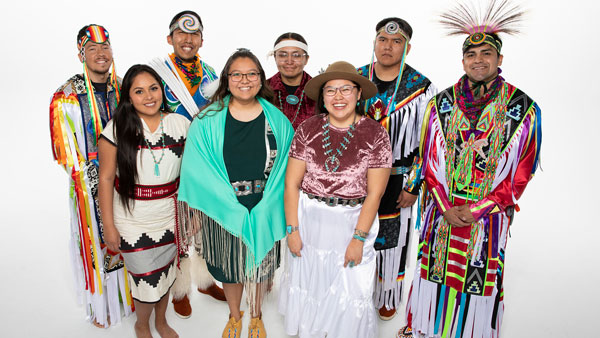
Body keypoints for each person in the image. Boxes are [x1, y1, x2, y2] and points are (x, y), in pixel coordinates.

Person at [398, 1, 542, 337]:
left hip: (488, 216)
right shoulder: (441, 105)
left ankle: (471, 332)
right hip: (442, 211)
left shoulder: (523, 109)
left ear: (499, 59)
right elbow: (429, 161)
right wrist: (446, 208)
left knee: (478, 276)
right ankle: (423, 327)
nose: (479, 60)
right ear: (463, 60)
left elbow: (522, 173)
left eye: (486, 53)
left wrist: (478, 209)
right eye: (472, 54)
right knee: (434, 270)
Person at [177, 48, 294, 338]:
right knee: (230, 269)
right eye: (237, 74)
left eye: (251, 73)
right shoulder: (206, 121)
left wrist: (269, 203)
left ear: (261, 79)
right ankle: (235, 315)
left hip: (265, 207)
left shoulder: (277, 120)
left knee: (260, 269)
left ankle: (256, 316)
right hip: (223, 208)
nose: (245, 79)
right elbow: (196, 168)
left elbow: (289, 168)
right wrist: (215, 206)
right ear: (226, 79)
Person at [279, 61, 392, 338]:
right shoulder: (308, 128)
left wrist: (358, 238)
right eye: (330, 90)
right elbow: (292, 183)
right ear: (322, 96)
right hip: (310, 219)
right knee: (311, 283)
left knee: (351, 289)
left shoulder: (375, 134)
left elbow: (375, 194)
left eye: (345, 89)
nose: (338, 97)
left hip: (352, 221)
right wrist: (292, 230)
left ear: (358, 93)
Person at [49, 24, 133, 328]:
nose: (101, 53)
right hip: (90, 183)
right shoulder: (67, 95)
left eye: (106, 47)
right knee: (97, 239)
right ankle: (104, 304)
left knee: (129, 234)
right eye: (92, 48)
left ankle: (130, 294)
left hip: (128, 177)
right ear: (80, 53)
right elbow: (63, 151)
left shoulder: (124, 87)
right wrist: (93, 178)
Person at [98, 64, 188, 338]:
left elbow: (194, 175)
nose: (149, 96)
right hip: (132, 218)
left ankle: (161, 322)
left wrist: (191, 217)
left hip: (169, 215)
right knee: (144, 279)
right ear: (128, 97)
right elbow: (105, 180)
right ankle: (141, 324)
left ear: (162, 90)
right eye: (139, 91)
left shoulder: (180, 124)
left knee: (166, 273)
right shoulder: (116, 129)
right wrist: (109, 227)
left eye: (153, 88)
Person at [357, 17, 437, 320]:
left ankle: (387, 291)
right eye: (382, 39)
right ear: (374, 42)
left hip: (397, 177)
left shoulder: (422, 88)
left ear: (407, 47)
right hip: (356, 179)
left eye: (396, 41)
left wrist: (414, 185)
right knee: (354, 232)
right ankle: (354, 289)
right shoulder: (355, 79)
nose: (388, 46)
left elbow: (429, 143)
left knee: (392, 237)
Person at [149, 10, 224, 319]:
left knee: (205, 222)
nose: (187, 39)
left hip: (205, 160)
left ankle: (205, 280)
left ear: (202, 40)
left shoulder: (211, 73)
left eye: (194, 34)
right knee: (178, 223)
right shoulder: (157, 73)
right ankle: (179, 287)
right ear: (170, 38)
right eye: (181, 33)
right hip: (169, 159)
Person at [267, 32, 315, 129]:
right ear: (275, 57)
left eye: (296, 55)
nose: (289, 61)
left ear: (306, 59)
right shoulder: (262, 90)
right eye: (283, 55)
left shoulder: (319, 91)